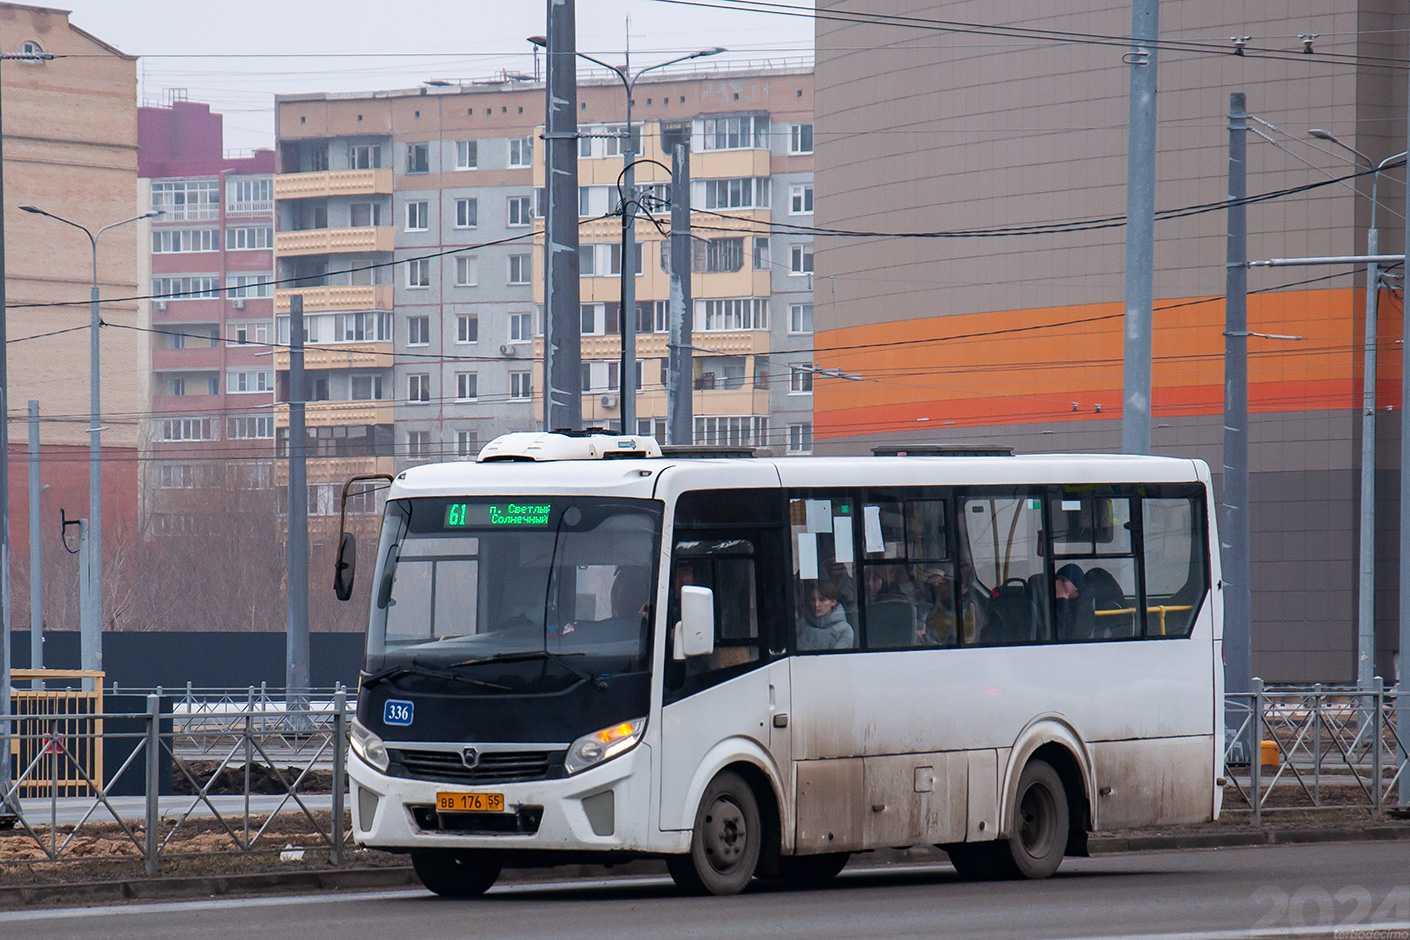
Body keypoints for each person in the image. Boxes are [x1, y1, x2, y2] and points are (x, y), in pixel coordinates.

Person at [797, 580, 854, 650]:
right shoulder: (799, 626)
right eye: (813, 599)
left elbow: (838, 658)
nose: (816, 604)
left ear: (833, 602)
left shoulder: (844, 629)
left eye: (822, 599)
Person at [1054, 563, 1093, 640]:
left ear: (1076, 585)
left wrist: (1062, 602)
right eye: (1057, 580)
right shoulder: (1051, 602)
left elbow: (1073, 634)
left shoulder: (1084, 606)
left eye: (1063, 580)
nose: (1058, 584)